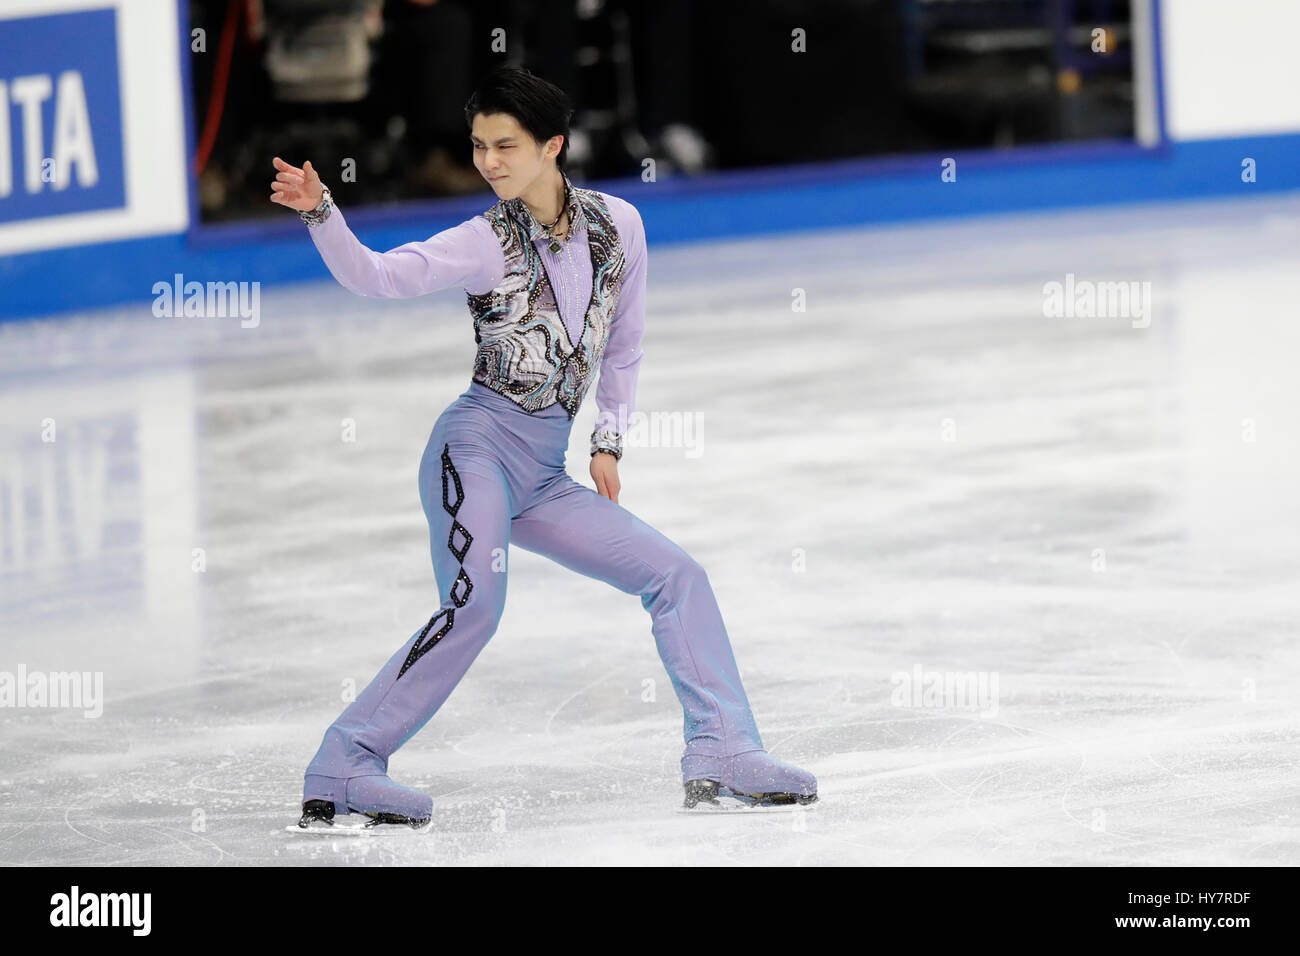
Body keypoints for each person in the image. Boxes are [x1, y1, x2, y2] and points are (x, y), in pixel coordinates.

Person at [270, 67, 816, 828]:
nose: (489, 162)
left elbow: (625, 344)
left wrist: (609, 442)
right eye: (478, 146)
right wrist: (322, 211)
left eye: (506, 145)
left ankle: (722, 748)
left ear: (552, 146)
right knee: (475, 607)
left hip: (545, 473)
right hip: (476, 452)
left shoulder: (618, 225)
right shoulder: (484, 241)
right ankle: (345, 761)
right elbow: (381, 278)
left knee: (676, 576)